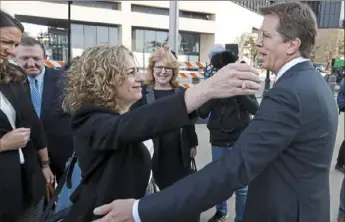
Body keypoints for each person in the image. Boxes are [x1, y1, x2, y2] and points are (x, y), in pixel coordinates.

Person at [92, 2, 339, 222]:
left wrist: (139, 210)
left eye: (266, 36)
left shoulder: (289, 92)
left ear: (292, 44)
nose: (258, 42)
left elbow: (232, 169)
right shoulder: (313, 83)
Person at [60, 45, 260, 222]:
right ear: (105, 80)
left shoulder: (125, 113)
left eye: (137, 71)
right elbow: (131, 125)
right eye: (131, 72)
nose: (139, 78)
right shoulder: (87, 119)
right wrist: (206, 89)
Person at [0, 10, 53, 222]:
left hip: (29, 184)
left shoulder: (13, 76)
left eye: (15, 45)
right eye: (6, 42)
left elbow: (33, 122)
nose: (12, 51)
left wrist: (45, 164)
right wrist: (3, 144)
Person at [198, 51, 259, 222]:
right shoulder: (214, 86)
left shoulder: (243, 85)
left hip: (239, 140)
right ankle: (221, 212)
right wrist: (212, 91)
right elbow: (202, 113)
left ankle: (241, 218)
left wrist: (239, 92)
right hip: (218, 141)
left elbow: (256, 109)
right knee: (220, 181)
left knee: (241, 186)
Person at [132, 48, 199, 194]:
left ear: (173, 71)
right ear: (152, 69)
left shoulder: (181, 92)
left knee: (179, 190)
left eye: (168, 68)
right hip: (153, 152)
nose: (163, 71)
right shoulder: (142, 93)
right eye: (159, 67)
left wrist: (193, 143)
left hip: (179, 150)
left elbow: (189, 121)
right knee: (156, 192)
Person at [14, 36, 74, 183]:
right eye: (24, 58)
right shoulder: (10, 84)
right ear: (15, 58)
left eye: (36, 58)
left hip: (63, 154)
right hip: (27, 154)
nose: (31, 63)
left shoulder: (66, 80)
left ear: (45, 58)